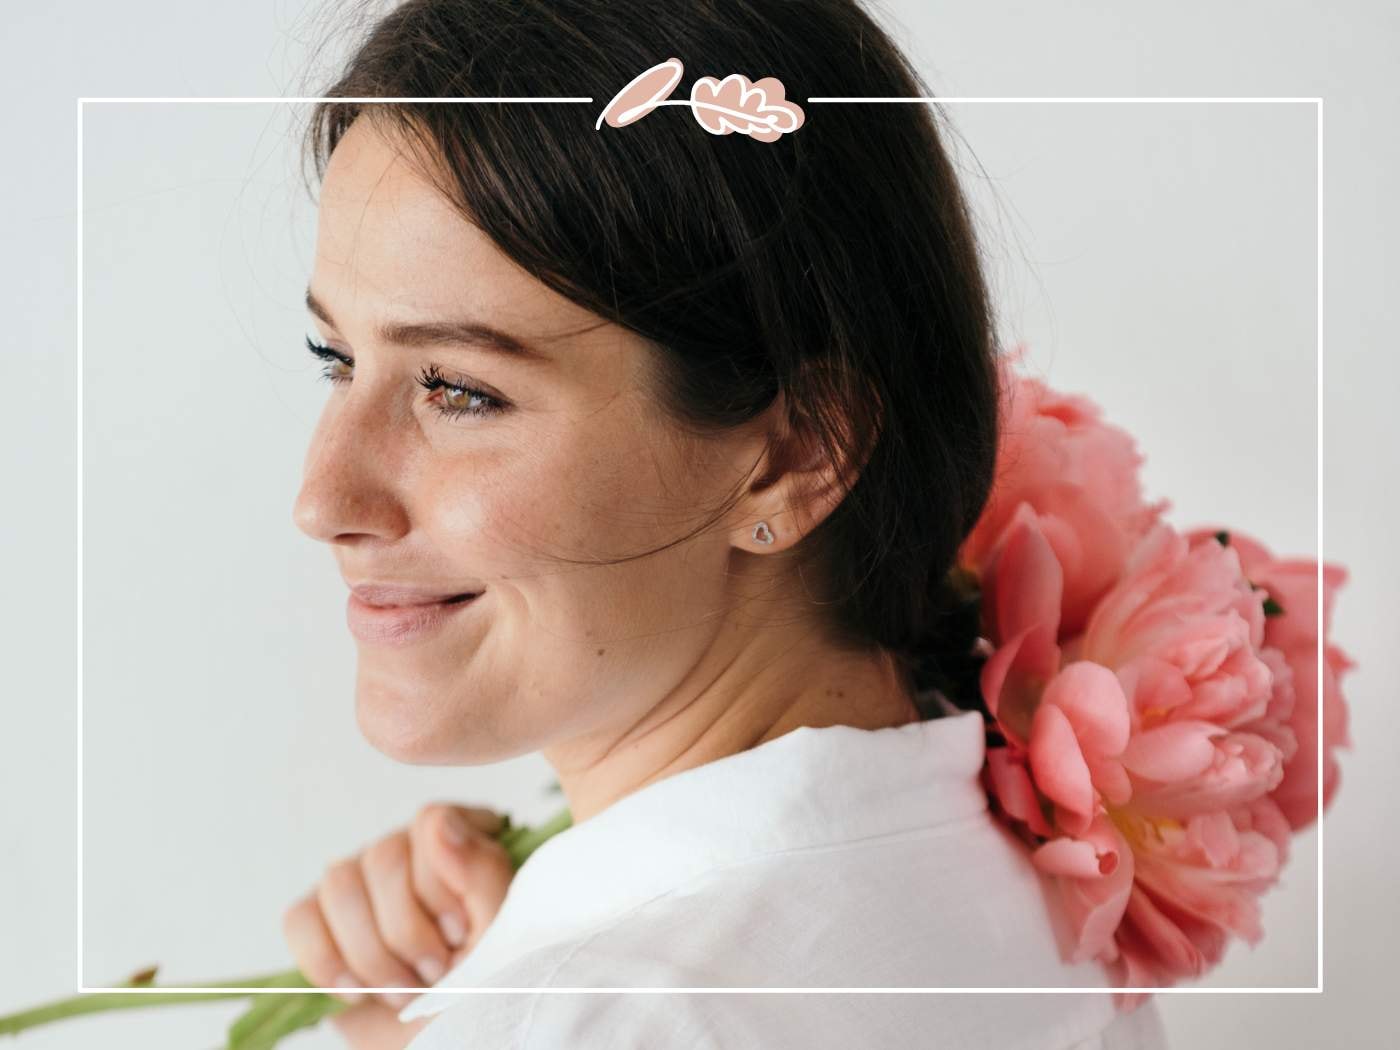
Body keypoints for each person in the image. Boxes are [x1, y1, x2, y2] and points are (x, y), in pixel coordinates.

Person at [281, 1, 1172, 1047]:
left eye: (458, 390)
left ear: (795, 456)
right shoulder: (1014, 912)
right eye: (336, 360)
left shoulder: (617, 1012)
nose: (322, 500)